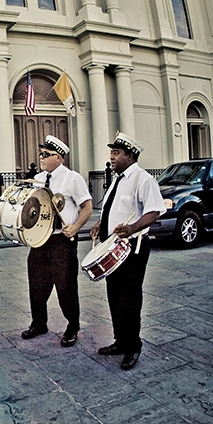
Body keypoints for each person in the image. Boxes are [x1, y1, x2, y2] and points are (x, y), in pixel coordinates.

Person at [90, 132, 165, 370]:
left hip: (132, 249)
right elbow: (113, 208)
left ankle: (133, 346)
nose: (111, 157)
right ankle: (121, 340)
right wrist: (100, 223)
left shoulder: (143, 179)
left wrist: (132, 227)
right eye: (111, 153)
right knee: (114, 297)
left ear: (130, 155)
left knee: (129, 298)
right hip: (113, 248)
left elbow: (154, 211)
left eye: (116, 153)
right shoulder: (118, 179)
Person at [21, 135, 93, 347]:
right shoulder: (39, 178)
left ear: (59, 158)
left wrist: (76, 226)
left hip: (62, 239)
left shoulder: (73, 178)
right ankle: (39, 323)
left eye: (46, 154)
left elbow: (87, 206)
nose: (41, 157)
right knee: (36, 284)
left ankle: (72, 326)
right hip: (41, 240)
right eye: (41, 153)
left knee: (65, 286)